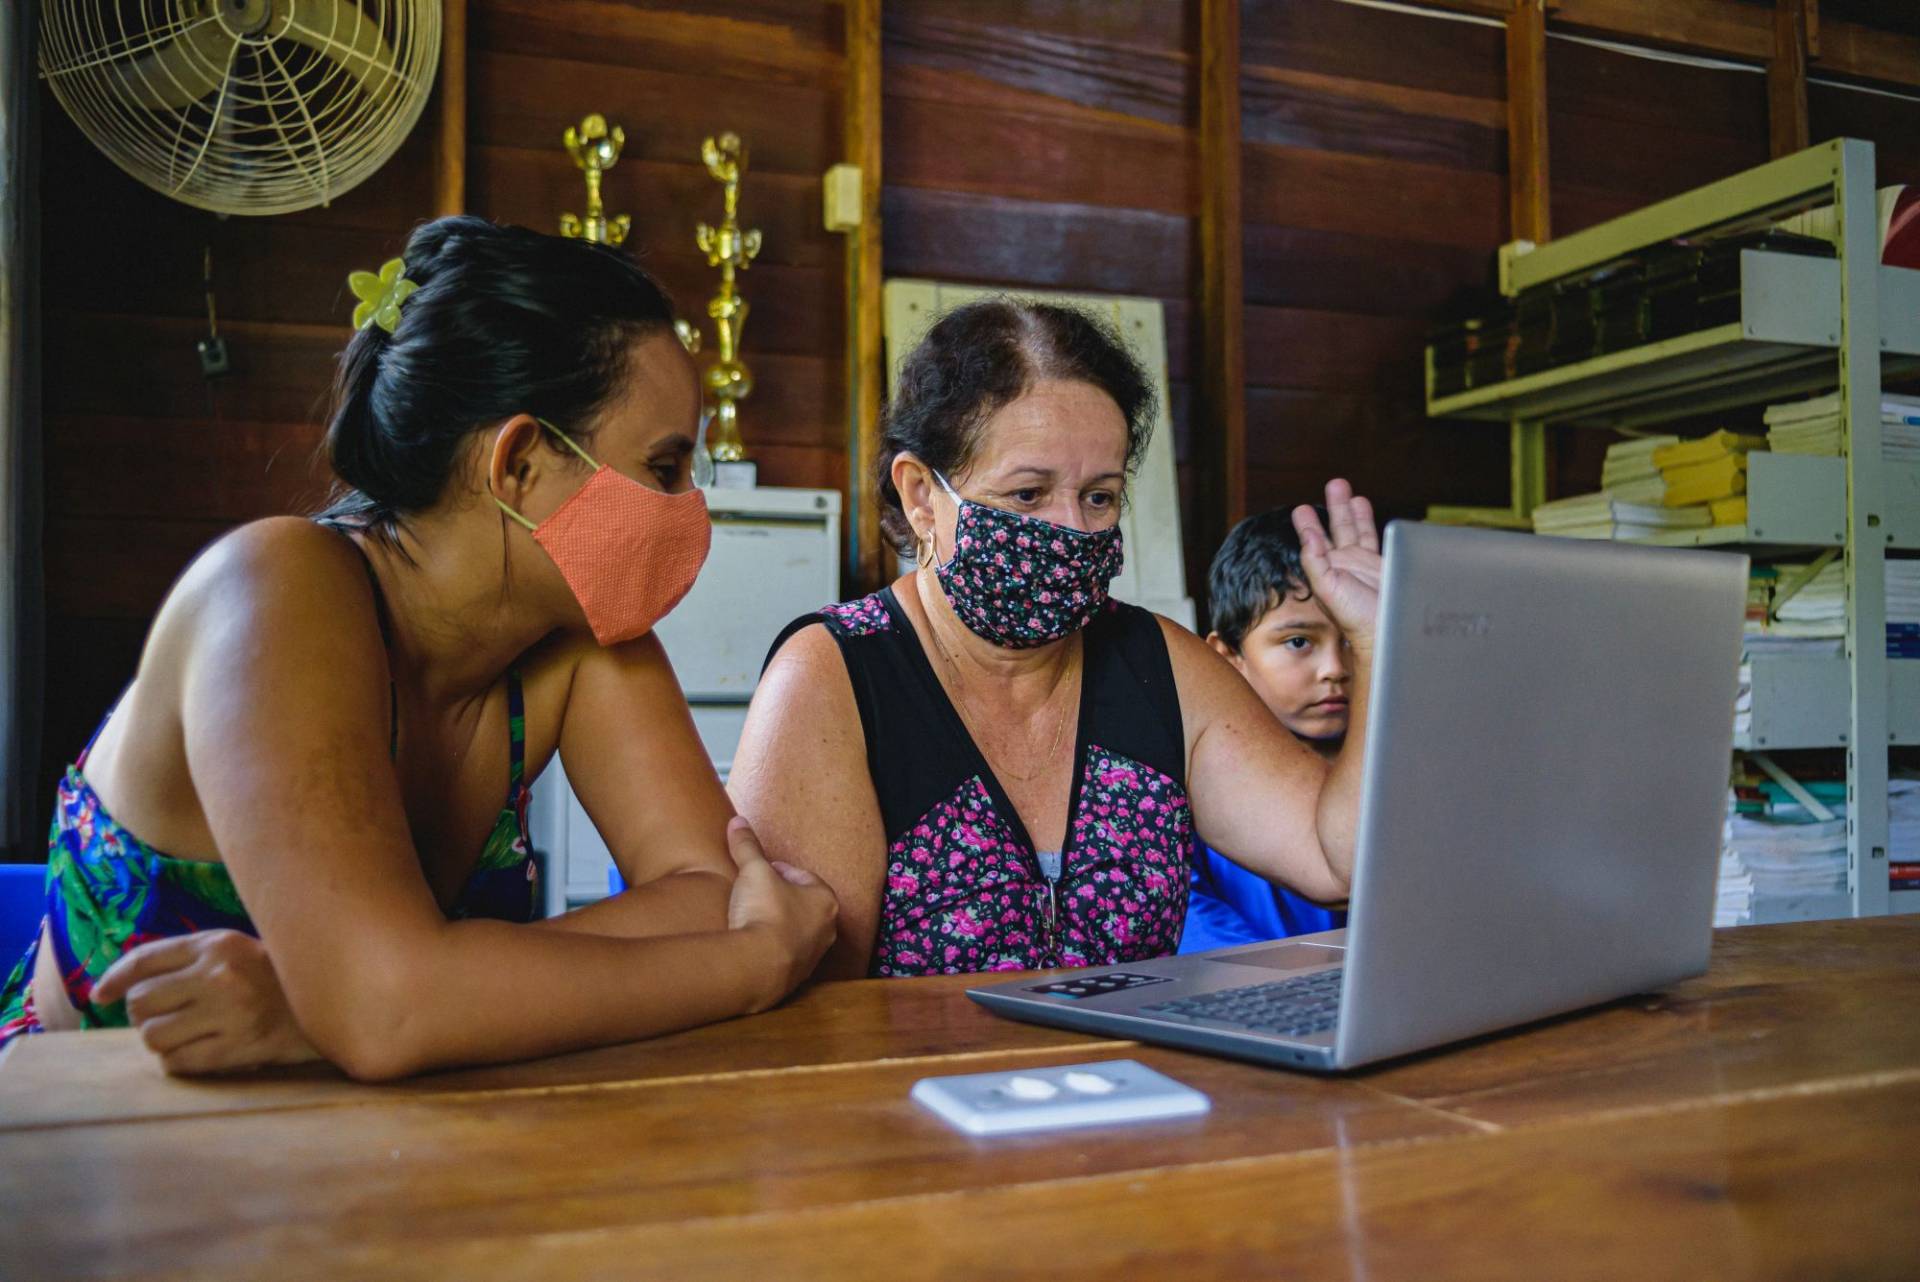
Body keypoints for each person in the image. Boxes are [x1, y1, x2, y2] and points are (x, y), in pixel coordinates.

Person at [0, 217, 835, 1079]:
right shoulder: (274, 587)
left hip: (370, 1151)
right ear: (517, 463)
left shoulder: (582, 639)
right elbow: (392, 1008)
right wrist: (754, 966)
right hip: (77, 1151)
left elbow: (713, 897)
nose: (690, 506)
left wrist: (339, 1009)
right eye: (663, 468)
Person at [727, 298, 1380, 979]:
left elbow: (1336, 859)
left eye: (1098, 497)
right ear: (921, 494)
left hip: (1138, 1078)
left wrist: (1372, 641)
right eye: (1029, 494)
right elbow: (809, 1001)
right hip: (912, 1084)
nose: (1071, 528)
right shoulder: (836, 678)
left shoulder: (1161, 667)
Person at [1179, 511, 1354, 954]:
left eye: (1353, 640)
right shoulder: (1187, 787)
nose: (1335, 669)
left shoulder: (1408, 774)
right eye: (1299, 642)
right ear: (1227, 655)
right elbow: (1193, 927)